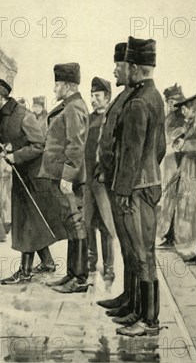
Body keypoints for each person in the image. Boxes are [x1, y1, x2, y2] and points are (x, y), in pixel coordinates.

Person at [0, 79, 63, 284]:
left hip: (32, 176)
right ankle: (47, 263)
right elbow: (2, 137)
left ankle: (25, 272)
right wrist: (0, 146)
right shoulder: (2, 115)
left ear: (0, 97)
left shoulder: (23, 115)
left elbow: (39, 145)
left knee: (26, 222)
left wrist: (16, 156)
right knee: (32, 221)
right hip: (21, 175)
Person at [111, 37, 165, 337]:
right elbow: (160, 148)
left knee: (142, 254)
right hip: (151, 182)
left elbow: (130, 152)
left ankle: (148, 321)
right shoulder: (156, 97)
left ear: (133, 67)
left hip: (135, 187)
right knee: (147, 252)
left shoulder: (137, 102)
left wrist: (122, 191)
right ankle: (144, 316)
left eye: (125, 67)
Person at [95, 43, 138, 321]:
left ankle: (138, 308)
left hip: (126, 186)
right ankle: (128, 297)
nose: (114, 70)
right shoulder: (124, 97)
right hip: (113, 181)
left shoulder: (137, 99)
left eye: (118, 66)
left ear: (131, 68)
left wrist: (123, 182)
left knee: (135, 248)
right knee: (126, 245)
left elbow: (139, 150)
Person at [39, 63, 90, 294]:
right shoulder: (69, 106)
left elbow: (76, 145)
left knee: (76, 224)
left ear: (68, 86)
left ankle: (79, 279)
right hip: (61, 174)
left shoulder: (74, 107)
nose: (54, 89)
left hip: (68, 178)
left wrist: (68, 176)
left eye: (57, 84)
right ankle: (72, 274)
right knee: (72, 224)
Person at [164, 93, 196, 264]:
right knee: (191, 210)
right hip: (190, 171)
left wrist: (184, 145)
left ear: (194, 109)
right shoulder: (192, 124)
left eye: (185, 108)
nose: (183, 111)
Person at [85, 77, 116, 281]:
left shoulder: (112, 119)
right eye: (92, 96)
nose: (93, 100)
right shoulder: (88, 119)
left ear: (107, 98)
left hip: (103, 181)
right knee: (88, 223)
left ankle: (109, 267)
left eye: (97, 96)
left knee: (106, 225)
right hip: (87, 180)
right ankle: (91, 263)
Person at [158, 83, 186, 247]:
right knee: (169, 198)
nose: (170, 104)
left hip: (179, 160)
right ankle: (169, 235)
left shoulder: (181, 118)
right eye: (168, 101)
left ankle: (176, 235)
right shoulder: (168, 117)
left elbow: (178, 139)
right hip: (169, 161)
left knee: (177, 198)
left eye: (173, 101)